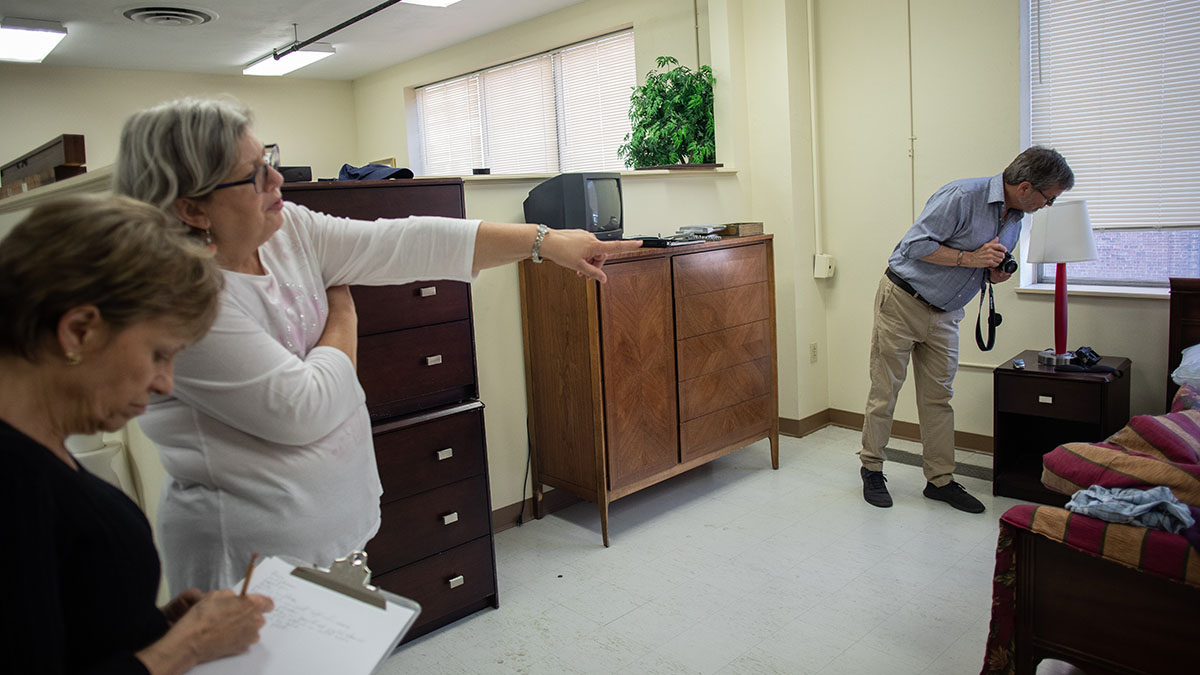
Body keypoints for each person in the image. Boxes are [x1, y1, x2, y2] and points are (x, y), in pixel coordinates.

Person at [113, 97, 644, 593]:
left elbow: (401, 241)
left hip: (338, 533)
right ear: (192, 209)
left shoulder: (284, 228)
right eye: (253, 175)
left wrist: (544, 242)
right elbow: (306, 407)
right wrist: (342, 305)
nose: (277, 178)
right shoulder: (179, 300)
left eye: (268, 157)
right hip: (251, 561)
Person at [0, 195, 274, 674]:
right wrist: (186, 647)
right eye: (158, 354)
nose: (163, 383)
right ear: (80, 330)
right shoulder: (11, 483)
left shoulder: (35, 449)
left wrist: (150, 629)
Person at [859, 146, 1074, 513]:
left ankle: (940, 480)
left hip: (947, 313)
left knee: (939, 398)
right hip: (903, 300)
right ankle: (872, 469)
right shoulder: (962, 196)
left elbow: (987, 266)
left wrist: (995, 272)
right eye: (1048, 199)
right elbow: (913, 245)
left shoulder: (1017, 219)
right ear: (1025, 186)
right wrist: (971, 258)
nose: (1047, 206)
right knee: (886, 390)